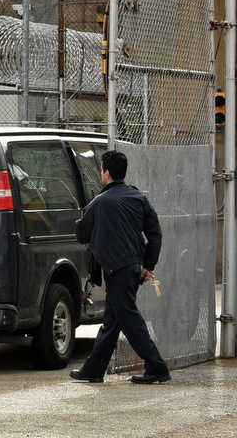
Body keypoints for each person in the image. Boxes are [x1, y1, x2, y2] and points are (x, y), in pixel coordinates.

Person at [70, 149, 170, 384]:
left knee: (128, 318)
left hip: (117, 270)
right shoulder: (138, 198)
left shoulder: (99, 202)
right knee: (113, 320)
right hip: (132, 268)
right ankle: (94, 369)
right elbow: (155, 234)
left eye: (102, 171)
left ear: (106, 173)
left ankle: (157, 367)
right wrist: (148, 265)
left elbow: (81, 235)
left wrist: (82, 216)